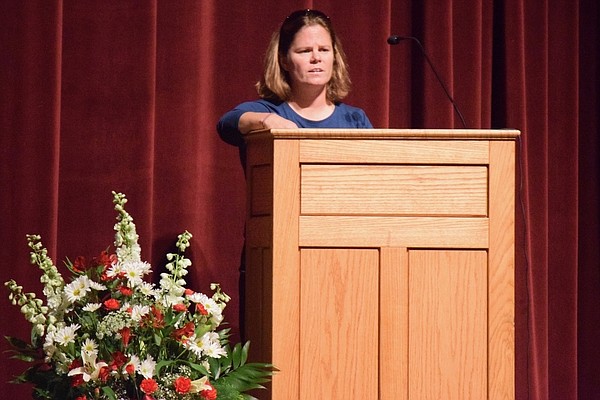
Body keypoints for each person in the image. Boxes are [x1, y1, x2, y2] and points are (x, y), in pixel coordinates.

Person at [217, 8, 373, 147]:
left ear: (334, 57)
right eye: (305, 51)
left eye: (324, 49)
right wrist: (266, 120)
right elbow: (226, 124)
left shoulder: (355, 119)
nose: (316, 57)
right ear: (284, 60)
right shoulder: (268, 111)